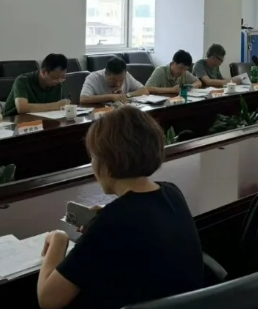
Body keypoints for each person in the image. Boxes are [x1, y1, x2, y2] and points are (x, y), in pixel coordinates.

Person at [37, 106, 204, 309]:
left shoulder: (109, 225)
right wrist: (106, 214)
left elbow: (48, 299)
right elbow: (141, 219)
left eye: (93, 157)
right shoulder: (172, 192)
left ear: (106, 163)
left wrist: (58, 240)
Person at [3, 54, 72, 118]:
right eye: (55, 78)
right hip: (12, 121)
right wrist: (56, 105)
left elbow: (58, 108)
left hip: (38, 120)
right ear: (43, 72)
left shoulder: (57, 83)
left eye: (62, 78)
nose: (59, 81)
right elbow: (22, 108)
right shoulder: (22, 81)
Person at [80, 57, 149, 105]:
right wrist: (111, 97)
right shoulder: (93, 78)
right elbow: (83, 99)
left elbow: (144, 91)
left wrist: (126, 95)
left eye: (121, 80)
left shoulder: (126, 75)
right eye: (113, 80)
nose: (118, 84)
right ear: (106, 73)